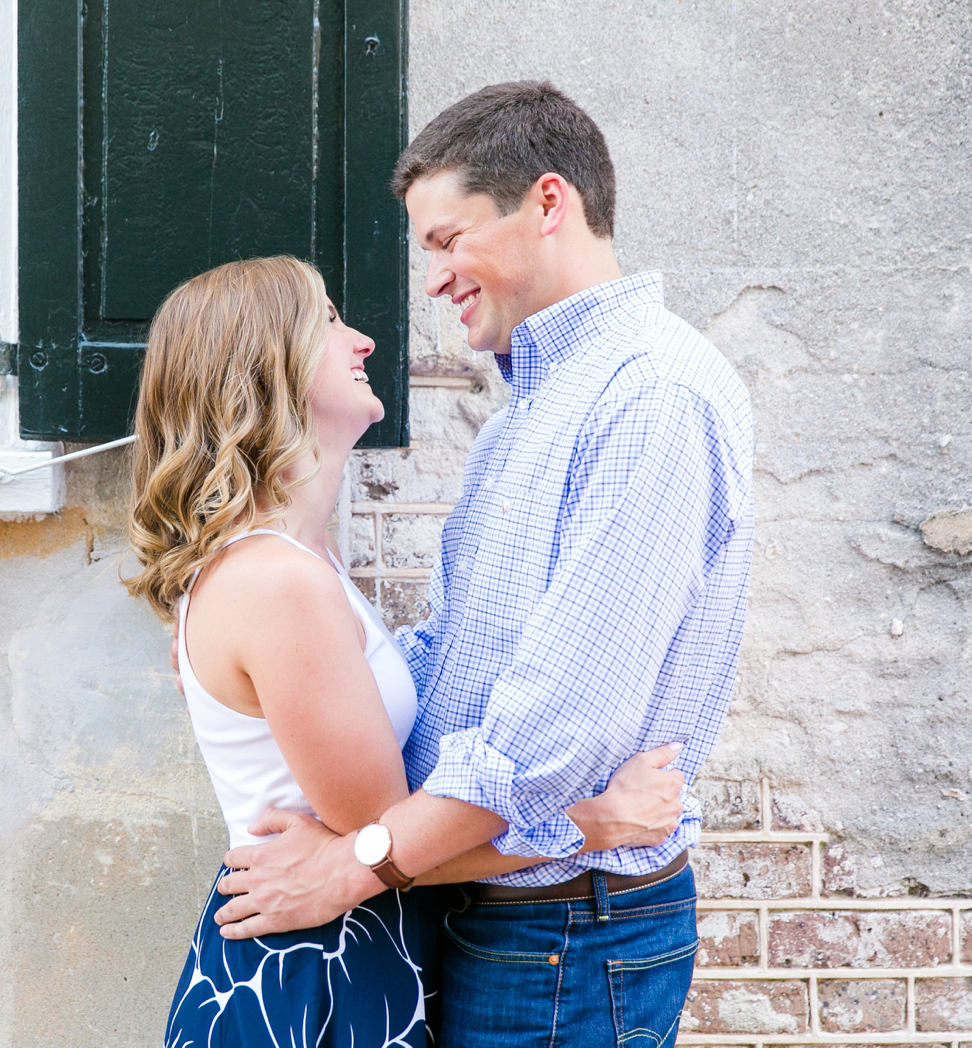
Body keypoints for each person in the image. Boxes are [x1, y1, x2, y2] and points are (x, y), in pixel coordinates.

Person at [207, 83, 755, 1048]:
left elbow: (559, 726)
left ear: (549, 204)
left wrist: (356, 863)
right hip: (492, 916)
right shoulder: (528, 414)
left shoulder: (650, 397)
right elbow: (461, 656)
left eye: (447, 240)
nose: (434, 279)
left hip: (562, 936)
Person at [125, 254, 690, 1047]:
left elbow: (367, 845)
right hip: (312, 979)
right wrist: (596, 823)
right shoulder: (275, 583)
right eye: (327, 319)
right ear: (263, 366)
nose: (360, 341)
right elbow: (394, 843)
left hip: (345, 955)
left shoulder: (296, 560)